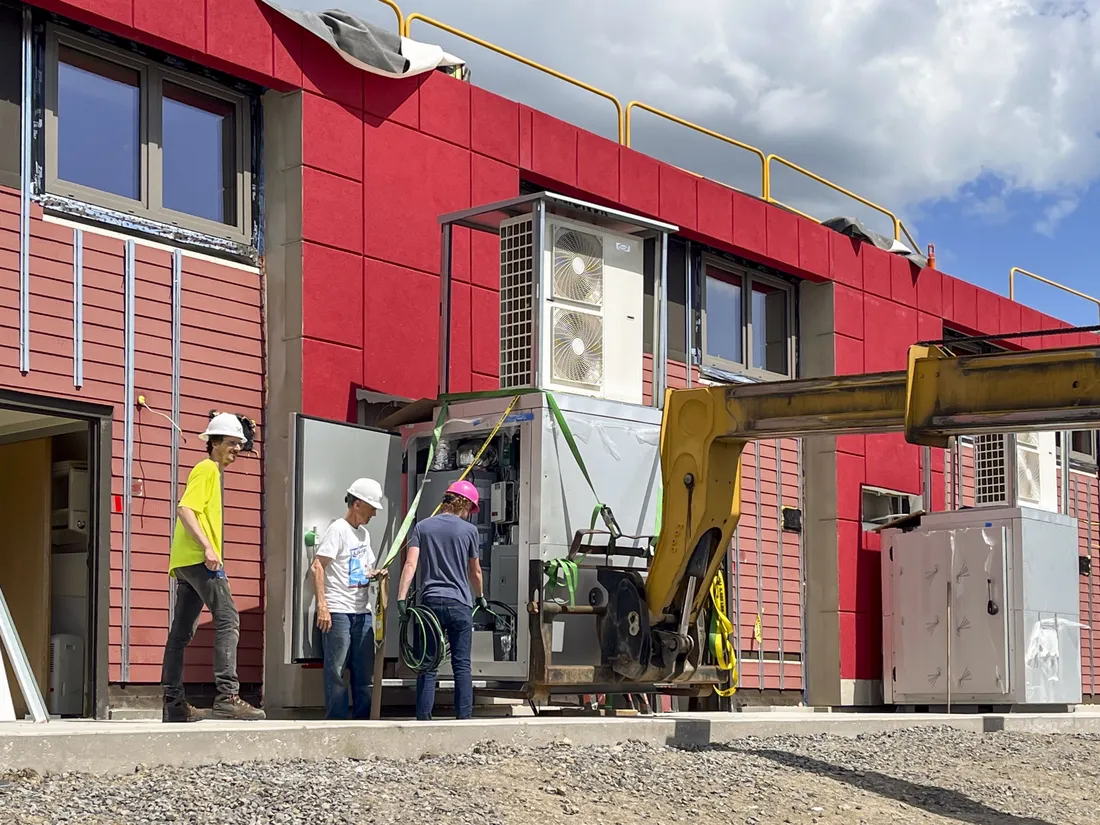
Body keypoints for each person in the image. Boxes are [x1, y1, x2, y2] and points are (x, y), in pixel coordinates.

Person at [161, 412, 266, 723]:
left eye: (239, 444)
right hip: (198, 558)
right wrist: (208, 548)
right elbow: (185, 509)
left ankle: (174, 704)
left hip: (184, 561)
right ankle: (228, 696)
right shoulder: (206, 469)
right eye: (232, 443)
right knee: (228, 619)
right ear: (214, 443)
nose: (237, 449)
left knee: (180, 633)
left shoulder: (212, 472)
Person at [396, 480, 487, 721]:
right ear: (464, 504)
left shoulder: (423, 527)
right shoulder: (469, 531)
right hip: (460, 604)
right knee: (461, 665)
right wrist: (480, 597)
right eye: (470, 510)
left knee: (428, 663)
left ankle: (423, 719)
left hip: (430, 605)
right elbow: (475, 572)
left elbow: (410, 564)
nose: (469, 515)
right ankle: (464, 718)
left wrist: (401, 599)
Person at [311, 477, 385, 720]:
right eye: (372, 507)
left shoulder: (364, 535)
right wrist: (323, 606)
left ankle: (363, 721)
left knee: (365, 675)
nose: (374, 513)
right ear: (357, 504)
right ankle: (337, 723)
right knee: (336, 672)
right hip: (338, 610)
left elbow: (362, 569)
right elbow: (318, 566)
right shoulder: (338, 530)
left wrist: (376, 574)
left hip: (362, 612)